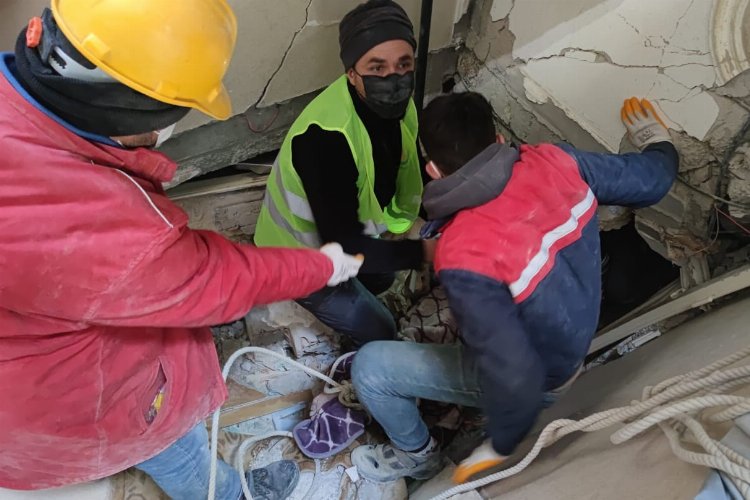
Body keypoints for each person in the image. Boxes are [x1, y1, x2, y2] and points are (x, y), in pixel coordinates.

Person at [0, 2, 363, 499]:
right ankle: (227, 494)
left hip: (28, 356)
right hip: (69, 398)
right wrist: (322, 265)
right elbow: (220, 278)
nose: (161, 135)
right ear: (122, 108)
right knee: (168, 441)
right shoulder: (101, 224)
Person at [349, 92, 679, 483]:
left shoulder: (463, 252)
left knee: (370, 368)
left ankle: (416, 455)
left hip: (544, 380)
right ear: (499, 140)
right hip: (577, 326)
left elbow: (516, 375)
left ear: (433, 170)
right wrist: (660, 143)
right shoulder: (555, 161)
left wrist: (500, 443)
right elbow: (653, 180)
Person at [254, 0, 433, 347]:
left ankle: (361, 284)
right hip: (301, 257)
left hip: (346, 235)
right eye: (377, 67)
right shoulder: (326, 138)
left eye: (404, 64)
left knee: (383, 277)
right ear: (352, 73)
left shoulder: (401, 108)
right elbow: (346, 246)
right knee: (381, 331)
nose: (394, 79)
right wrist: (427, 252)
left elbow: (407, 168)